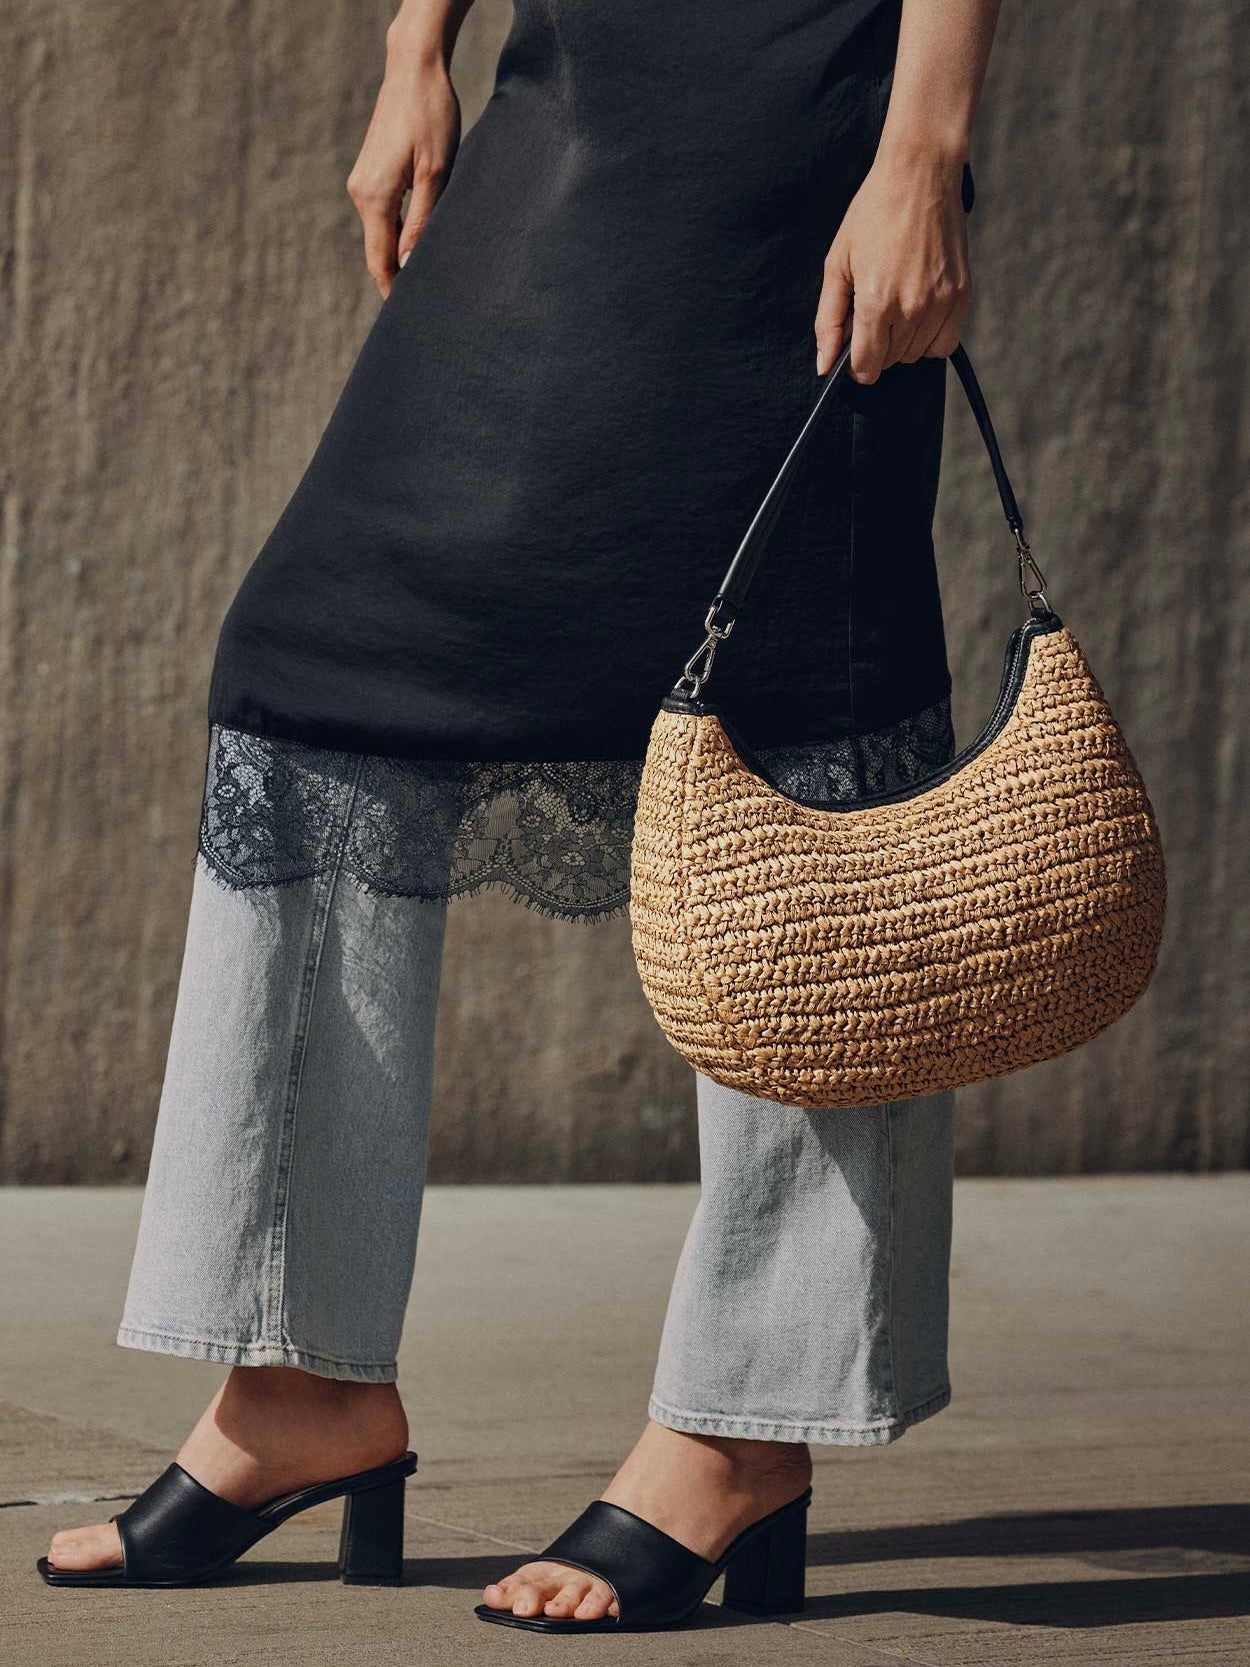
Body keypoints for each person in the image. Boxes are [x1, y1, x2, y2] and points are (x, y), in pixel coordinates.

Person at [39, 0, 1003, 1631]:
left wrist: (922, 146)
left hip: (800, 124)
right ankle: (298, 1383)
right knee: (313, 668)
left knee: (796, 709)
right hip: (572, 77)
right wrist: (414, 45)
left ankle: (743, 1426)